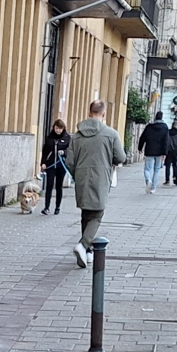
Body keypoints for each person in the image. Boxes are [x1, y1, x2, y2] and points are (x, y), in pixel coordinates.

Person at [66, 100, 126, 267]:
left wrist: (77, 174)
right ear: (104, 114)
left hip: (82, 178)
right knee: (97, 214)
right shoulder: (111, 134)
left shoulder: (77, 136)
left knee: (86, 213)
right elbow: (120, 157)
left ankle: (88, 252)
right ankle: (83, 245)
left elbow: (69, 161)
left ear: (89, 112)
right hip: (101, 178)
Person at [39, 119, 72, 215]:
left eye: (60, 129)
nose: (58, 130)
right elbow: (45, 151)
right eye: (56, 128)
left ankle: (57, 207)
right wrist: (43, 163)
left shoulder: (67, 138)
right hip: (50, 165)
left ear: (63, 129)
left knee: (59, 186)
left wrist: (64, 152)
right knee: (49, 185)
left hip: (61, 165)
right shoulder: (49, 138)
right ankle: (46, 207)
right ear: (53, 128)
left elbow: (70, 151)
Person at [137, 114, 170, 193]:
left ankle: (148, 180)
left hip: (149, 151)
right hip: (159, 152)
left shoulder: (149, 127)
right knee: (156, 170)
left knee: (147, 169)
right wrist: (165, 153)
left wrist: (140, 148)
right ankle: (153, 188)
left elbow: (142, 137)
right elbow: (166, 141)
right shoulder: (164, 127)